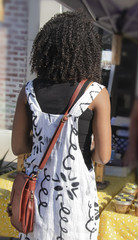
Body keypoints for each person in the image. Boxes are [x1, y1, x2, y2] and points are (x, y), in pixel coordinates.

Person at [12, 11, 111, 240]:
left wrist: (43, 142)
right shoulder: (96, 94)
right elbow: (103, 157)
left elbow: (18, 147)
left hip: (35, 198)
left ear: (45, 50)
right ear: (88, 51)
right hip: (76, 202)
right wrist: (86, 148)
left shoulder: (28, 92)